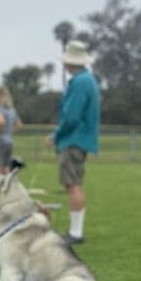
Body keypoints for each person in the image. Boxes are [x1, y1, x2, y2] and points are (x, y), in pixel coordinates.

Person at [45, 40, 100, 245]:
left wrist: (57, 135)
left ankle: (75, 233)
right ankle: (75, 230)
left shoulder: (79, 82)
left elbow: (71, 116)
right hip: (81, 139)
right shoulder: (89, 80)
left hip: (74, 140)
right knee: (74, 184)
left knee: (73, 185)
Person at [0, 86, 22, 175]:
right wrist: (8, 133)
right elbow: (19, 125)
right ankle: (7, 189)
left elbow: (1, 122)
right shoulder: (12, 109)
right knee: (6, 169)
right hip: (9, 142)